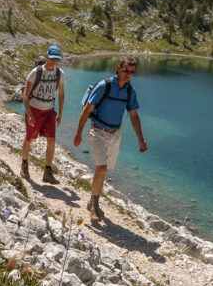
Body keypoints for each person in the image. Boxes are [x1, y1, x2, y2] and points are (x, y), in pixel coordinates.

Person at [73, 56, 147, 220]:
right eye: (126, 70)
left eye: (132, 72)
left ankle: (92, 200)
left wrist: (140, 139)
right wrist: (78, 133)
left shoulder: (129, 91)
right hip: (98, 132)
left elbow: (134, 116)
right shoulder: (104, 85)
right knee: (102, 168)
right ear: (119, 68)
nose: (128, 75)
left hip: (115, 135)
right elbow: (86, 110)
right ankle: (95, 207)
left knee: (104, 170)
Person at [21, 45, 66, 184]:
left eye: (56, 59)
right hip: (34, 110)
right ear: (46, 56)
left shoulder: (60, 74)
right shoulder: (36, 72)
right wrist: (29, 114)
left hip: (49, 111)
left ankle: (47, 171)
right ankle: (24, 165)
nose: (53, 61)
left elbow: (61, 94)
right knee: (29, 138)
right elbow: (25, 94)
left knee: (52, 140)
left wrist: (60, 114)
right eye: (51, 58)